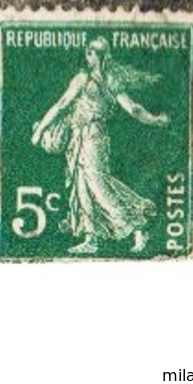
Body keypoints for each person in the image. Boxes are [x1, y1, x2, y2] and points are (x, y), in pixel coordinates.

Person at [30, 37, 169, 254]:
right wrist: (40, 130)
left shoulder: (102, 80)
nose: (88, 55)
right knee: (82, 186)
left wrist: (154, 120)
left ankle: (139, 225)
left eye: (91, 52)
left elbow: (132, 109)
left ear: (99, 56)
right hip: (78, 139)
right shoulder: (87, 79)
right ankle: (91, 238)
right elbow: (62, 105)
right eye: (88, 51)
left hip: (94, 140)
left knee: (98, 186)